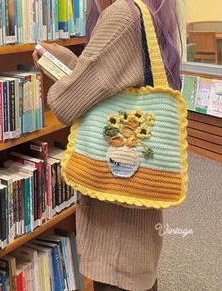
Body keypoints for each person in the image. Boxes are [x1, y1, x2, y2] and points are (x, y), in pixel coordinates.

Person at [33, 0, 181, 290]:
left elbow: (66, 102)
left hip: (114, 213)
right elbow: (110, 85)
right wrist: (65, 59)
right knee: (136, 276)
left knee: (116, 279)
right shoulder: (150, 10)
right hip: (135, 200)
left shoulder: (121, 14)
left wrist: (55, 69)